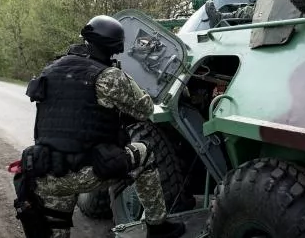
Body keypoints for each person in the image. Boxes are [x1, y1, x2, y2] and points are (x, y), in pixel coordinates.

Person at [12, 15, 186, 238]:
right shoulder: (109, 76)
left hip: (48, 172)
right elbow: (145, 110)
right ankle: (157, 226)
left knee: (56, 227)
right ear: (116, 47)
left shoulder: (50, 70)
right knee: (145, 154)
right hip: (89, 171)